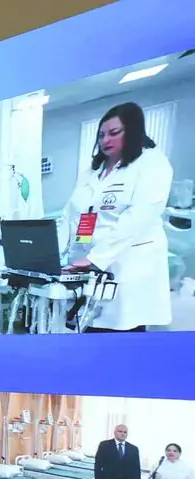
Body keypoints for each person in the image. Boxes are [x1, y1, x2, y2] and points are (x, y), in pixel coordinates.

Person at [63, 101, 174, 332]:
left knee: (122, 330)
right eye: (101, 135)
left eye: (114, 133)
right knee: (88, 326)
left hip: (129, 265)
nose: (105, 140)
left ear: (132, 131)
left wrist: (96, 258)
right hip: (88, 263)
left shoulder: (152, 163)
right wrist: (58, 253)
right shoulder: (92, 171)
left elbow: (138, 217)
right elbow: (71, 214)